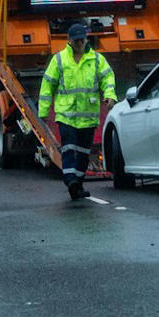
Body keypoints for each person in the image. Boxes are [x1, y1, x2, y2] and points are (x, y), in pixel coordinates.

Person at [38, 23, 117, 200]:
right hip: (66, 116)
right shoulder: (59, 60)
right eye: (77, 40)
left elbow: (108, 78)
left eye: (83, 39)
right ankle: (70, 179)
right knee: (68, 148)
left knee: (83, 153)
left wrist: (110, 96)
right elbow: (47, 85)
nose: (80, 43)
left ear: (86, 39)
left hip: (88, 117)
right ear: (70, 41)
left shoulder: (96, 60)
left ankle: (77, 184)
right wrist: (43, 111)